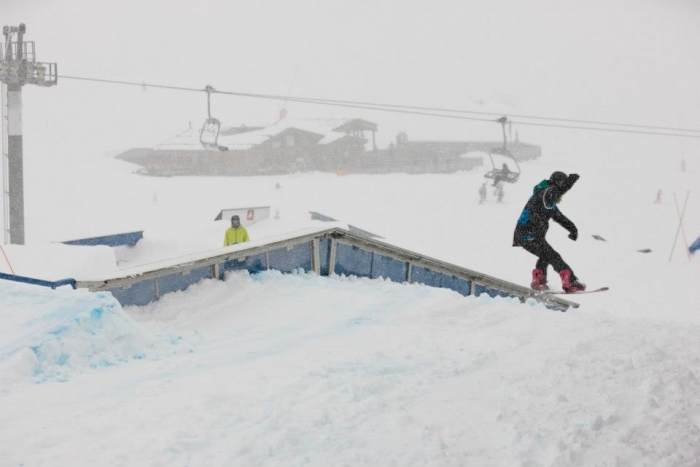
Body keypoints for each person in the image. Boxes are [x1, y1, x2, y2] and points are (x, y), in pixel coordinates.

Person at [512, 171, 586, 293]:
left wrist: (573, 229)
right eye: (562, 187)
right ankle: (570, 282)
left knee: (545, 255)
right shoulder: (546, 192)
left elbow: (559, 217)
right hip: (530, 235)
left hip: (526, 236)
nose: (561, 196)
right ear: (559, 184)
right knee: (554, 257)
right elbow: (553, 192)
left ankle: (539, 280)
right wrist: (567, 185)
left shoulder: (545, 200)